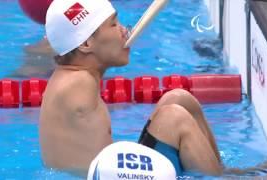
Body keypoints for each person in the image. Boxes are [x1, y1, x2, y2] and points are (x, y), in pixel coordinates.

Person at [39, 0, 222, 177]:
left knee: (179, 99)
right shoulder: (78, 84)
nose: (124, 31)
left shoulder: (73, 76)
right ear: (86, 44)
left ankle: (222, 173)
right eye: (113, 25)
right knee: (174, 118)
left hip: (114, 173)